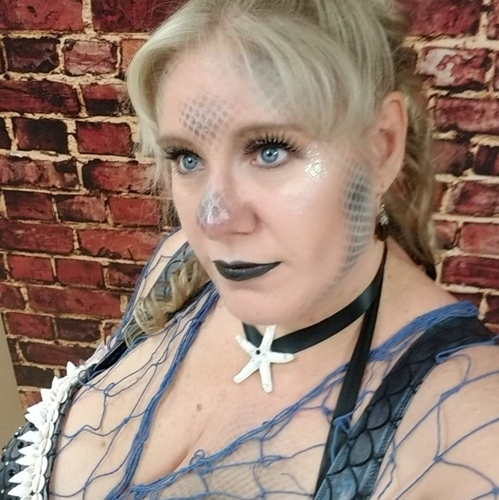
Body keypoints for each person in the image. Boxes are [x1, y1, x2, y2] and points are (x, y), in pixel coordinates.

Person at [1, 0, 498, 498]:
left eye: (269, 150)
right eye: (187, 158)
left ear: (382, 145)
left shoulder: (469, 426)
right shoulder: (180, 268)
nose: (214, 220)